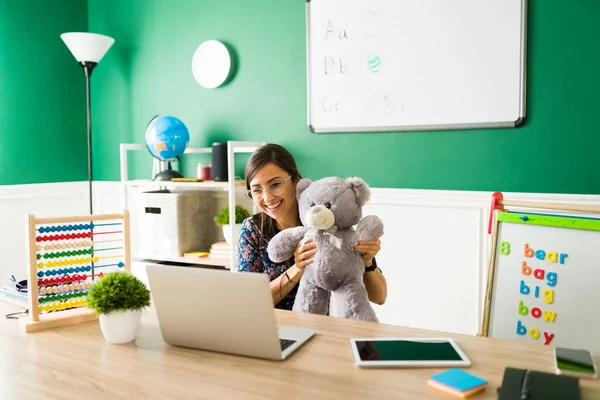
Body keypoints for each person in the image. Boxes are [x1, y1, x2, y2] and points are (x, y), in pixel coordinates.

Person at [236, 143, 387, 311]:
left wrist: (367, 261)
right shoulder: (252, 231)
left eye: (275, 184)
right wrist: (297, 268)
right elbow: (248, 301)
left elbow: (379, 297)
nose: (268, 198)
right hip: (268, 330)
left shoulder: (330, 224)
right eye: (257, 190)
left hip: (317, 329)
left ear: (296, 181)